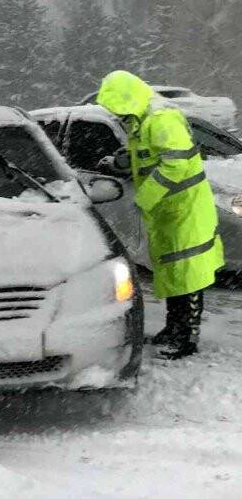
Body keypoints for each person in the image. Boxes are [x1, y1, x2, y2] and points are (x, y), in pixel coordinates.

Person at [96, 70, 224, 359]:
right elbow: (144, 155)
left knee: (187, 273)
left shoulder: (161, 119)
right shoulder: (141, 119)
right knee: (172, 271)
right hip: (169, 209)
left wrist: (145, 197)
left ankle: (186, 338)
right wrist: (119, 163)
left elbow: (175, 165)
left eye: (119, 110)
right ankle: (173, 328)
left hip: (184, 208)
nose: (118, 116)